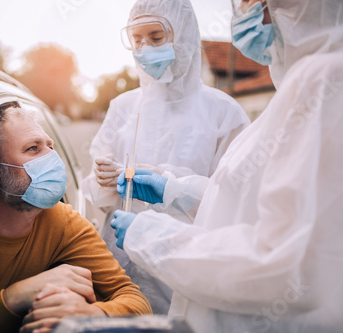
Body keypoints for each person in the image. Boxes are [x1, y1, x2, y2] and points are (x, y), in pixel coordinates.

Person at [111, 0, 343, 332]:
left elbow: (288, 265)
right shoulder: (302, 86)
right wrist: (177, 190)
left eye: (253, 2)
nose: (247, 12)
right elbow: (254, 206)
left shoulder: (324, 80)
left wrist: (151, 237)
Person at [81, 0, 250, 315]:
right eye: (137, 40)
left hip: (183, 273)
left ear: (183, 35)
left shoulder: (223, 112)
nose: (144, 48)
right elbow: (96, 192)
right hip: (119, 273)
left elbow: (234, 204)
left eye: (156, 38)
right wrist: (104, 179)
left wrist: (170, 186)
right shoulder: (123, 106)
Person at [0, 105, 151, 333]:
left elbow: (135, 300)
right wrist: (13, 297)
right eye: (33, 148)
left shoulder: (63, 221)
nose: (52, 158)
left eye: (50, 147)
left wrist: (93, 315)